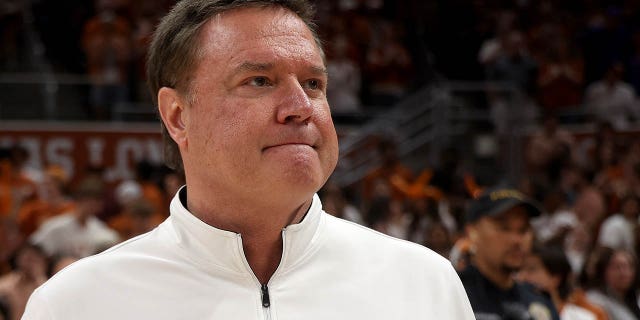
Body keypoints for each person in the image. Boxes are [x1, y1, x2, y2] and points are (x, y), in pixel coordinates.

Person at [22, 1, 475, 319]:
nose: (301, 105)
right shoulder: (76, 305)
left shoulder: (425, 284)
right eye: (259, 81)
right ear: (178, 116)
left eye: (315, 84)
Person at [460, 186, 561, 320]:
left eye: (523, 230)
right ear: (472, 232)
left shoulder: (538, 302)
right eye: (504, 228)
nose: (517, 240)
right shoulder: (453, 293)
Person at [518, 244, 609, 320]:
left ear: (555, 278)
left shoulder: (583, 317)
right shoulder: (514, 312)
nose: (522, 276)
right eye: (519, 270)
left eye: (531, 269)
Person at [584, 247, 640, 320]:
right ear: (604, 271)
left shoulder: (636, 298)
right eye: (617, 267)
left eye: (629, 267)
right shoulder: (594, 299)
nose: (624, 273)